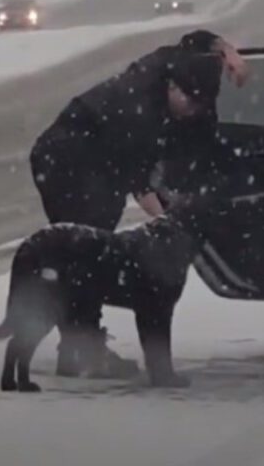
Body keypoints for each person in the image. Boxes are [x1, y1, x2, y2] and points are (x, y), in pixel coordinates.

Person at [27, 29, 247, 378]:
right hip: (68, 159)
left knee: (89, 255)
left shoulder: (178, 62)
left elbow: (196, 38)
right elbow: (140, 183)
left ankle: (79, 349)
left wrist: (227, 49)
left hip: (103, 160)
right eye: (189, 102)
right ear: (172, 87)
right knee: (85, 254)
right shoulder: (137, 110)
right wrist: (170, 223)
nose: (192, 112)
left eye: (201, 105)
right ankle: (80, 352)